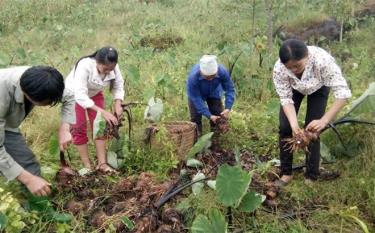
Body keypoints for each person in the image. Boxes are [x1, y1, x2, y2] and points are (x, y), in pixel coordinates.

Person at [272, 39, 352, 185]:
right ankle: (286, 173)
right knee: (285, 127)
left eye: (297, 66)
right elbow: (285, 98)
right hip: (295, 88)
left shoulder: (323, 62)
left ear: (307, 56)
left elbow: (343, 93)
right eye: (290, 68)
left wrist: (323, 121)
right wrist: (294, 126)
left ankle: (311, 174)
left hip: (318, 86)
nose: (294, 70)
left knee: (313, 129)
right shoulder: (279, 68)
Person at [0, 66, 75, 196]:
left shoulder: (43, 81)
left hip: (7, 124)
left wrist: (65, 129)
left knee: (28, 165)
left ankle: (38, 208)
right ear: (29, 95)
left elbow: (70, 97)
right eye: (48, 103)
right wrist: (28, 180)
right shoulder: (3, 91)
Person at [65, 46, 125, 173]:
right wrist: (103, 112)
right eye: (105, 69)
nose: (109, 72)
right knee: (79, 127)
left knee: (100, 127)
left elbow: (119, 86)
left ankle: (102, 164)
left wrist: (118, 104)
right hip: (74, 95)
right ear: (97, 62)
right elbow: (80, 96)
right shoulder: (84, 65)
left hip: (94, 93)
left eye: (111, 69)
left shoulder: (113, 66)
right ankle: (88, 166)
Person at [186, 55, 235, 134]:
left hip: (214, 91)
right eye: (207, 77)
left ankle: (216, 140)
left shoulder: (222, 71)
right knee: (195, 118)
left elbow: (230, 89)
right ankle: (197, 140)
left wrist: (228, 108)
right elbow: (196, 99)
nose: (211, 79)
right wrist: (209, 115)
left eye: (213, 76)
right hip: (197, 94)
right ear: (201, 72)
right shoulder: (193, 78)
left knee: (218, 115)